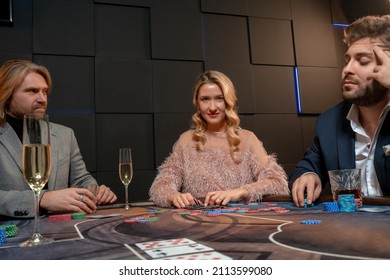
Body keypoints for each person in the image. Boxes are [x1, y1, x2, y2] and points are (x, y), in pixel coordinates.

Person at [289, 15, 390, 207]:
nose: (347, 69)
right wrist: (307, 175)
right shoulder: (329, 122)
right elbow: (308, 165)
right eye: (347, 60)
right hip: (351, 230)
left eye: (362, 61)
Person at [149, 70, 289, 208]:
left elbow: (278, 183)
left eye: (219, 98)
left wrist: (240, 192)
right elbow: (160, 187)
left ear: (229, 101)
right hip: (197, 223)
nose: (212, 107)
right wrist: (174, 196)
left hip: (241, 222)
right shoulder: (186, 140)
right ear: (197, 103)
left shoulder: (248, 139)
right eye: (205, 99)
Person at [0, 59, 117, 218]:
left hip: (60, 232)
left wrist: (94, 191)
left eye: (45, 91)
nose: (42, 99)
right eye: (32, 91)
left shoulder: (65, 135)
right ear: (7, 95)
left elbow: (81, 179)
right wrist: (42, 199)